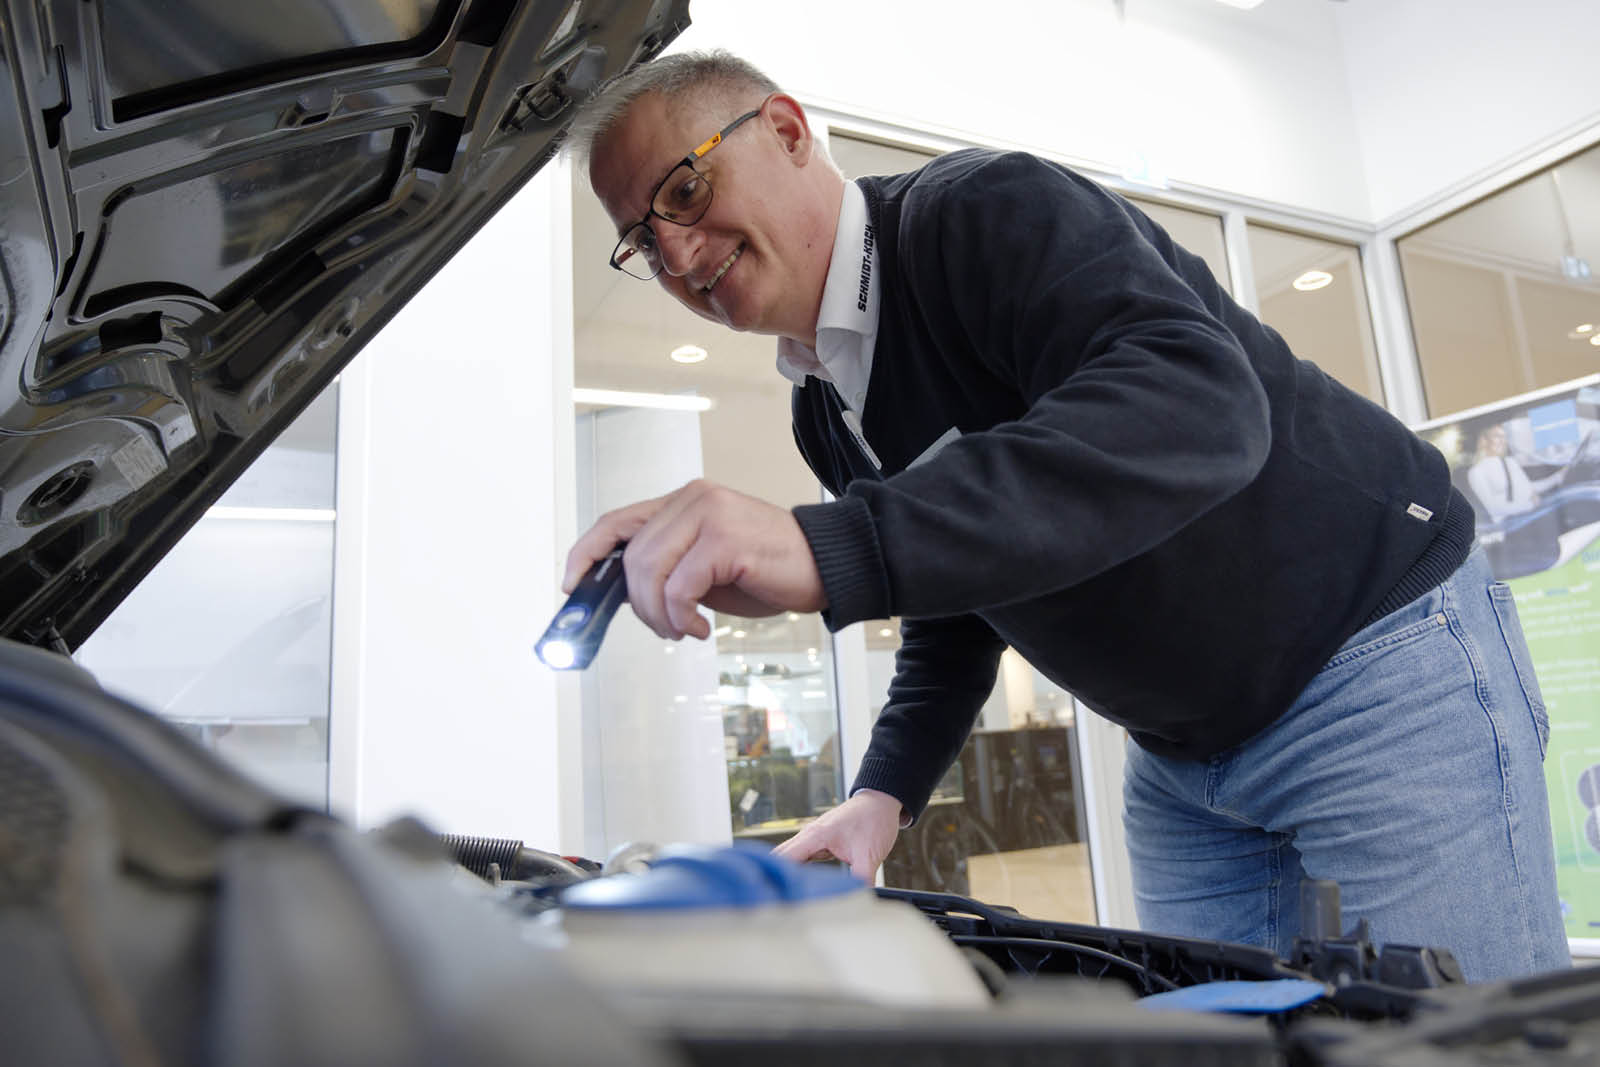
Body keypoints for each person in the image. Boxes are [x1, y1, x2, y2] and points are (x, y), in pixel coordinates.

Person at [559, 50, 1568, 981]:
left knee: (1457, 1037)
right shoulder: (822, 406)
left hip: (1372, 671)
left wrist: (838, 543)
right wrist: (882, 794)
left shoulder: (982, 211)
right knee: (1213, 1039)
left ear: (785, 129)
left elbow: (1198, 404)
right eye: (642, 243)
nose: (677, 252)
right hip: (1180, 764)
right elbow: (959, 601)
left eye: (683, 191)